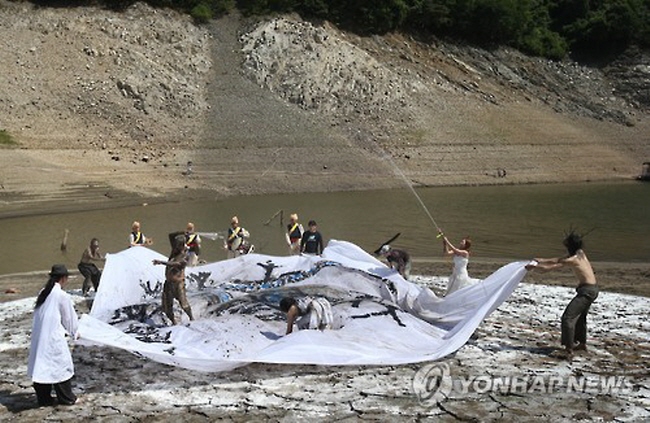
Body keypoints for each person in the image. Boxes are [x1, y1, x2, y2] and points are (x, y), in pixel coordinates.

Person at [526, 231, 598, 357]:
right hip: (591, 290)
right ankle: (581, 344)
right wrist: (541, 260)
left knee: (568, 318)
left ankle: (568, 349)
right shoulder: (580, 254)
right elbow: (557, 259)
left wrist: (534, 267)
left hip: (587, 292)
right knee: (580, 318)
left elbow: (549, 268)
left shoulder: (573, 259)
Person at [27, 264, 80, 407]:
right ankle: (66, 398)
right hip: (52, 336)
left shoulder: (43, 292)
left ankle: (44, 398)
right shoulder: (61, 295)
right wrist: (75, 332)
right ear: (64, 278)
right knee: (60, 365)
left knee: (42, 365)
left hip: (40, 335)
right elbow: (69, 318)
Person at [153, 235, 194, 325]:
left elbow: (177, 264)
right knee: (167, 306)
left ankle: (191, 318)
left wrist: (161, 262)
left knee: (183, 304)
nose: (176, 246)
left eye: (178, 245)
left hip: (178, 283)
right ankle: (173, 322)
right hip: (169, 283)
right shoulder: (174, 253)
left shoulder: (185, 255)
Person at [440, 231, 476, 295]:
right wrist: (445, 243)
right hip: (455, 273)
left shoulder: (465, 253)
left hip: (461, 273)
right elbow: (447, 253)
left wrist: (447, 241)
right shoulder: (457, 251)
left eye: (462, 242)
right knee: (452, 290)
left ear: (465, 245)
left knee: (459, 289)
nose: (460, 243)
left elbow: (455, 250)